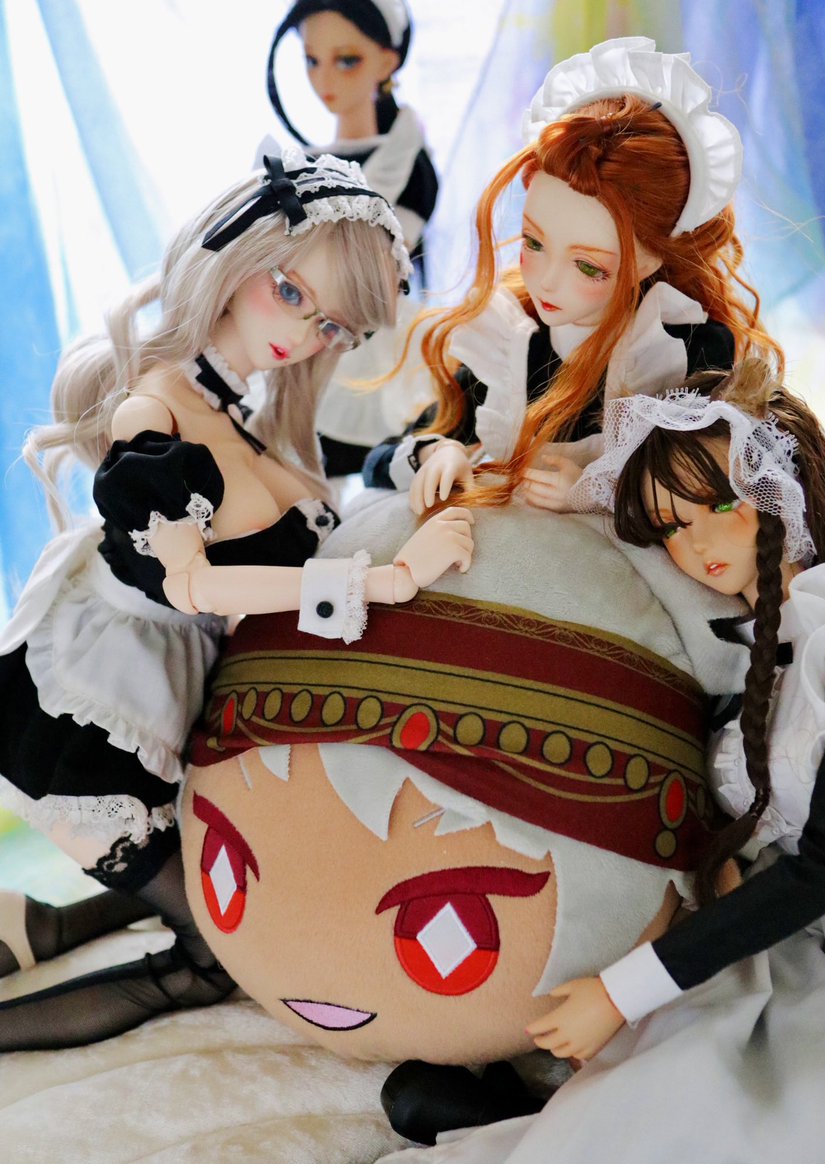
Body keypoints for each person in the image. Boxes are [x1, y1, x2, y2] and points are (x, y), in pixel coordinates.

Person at [0, 149, 473, 1051]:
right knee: (220, 950)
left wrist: (431, 455)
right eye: (289, 293)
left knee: (220, 895)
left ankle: (43, 929)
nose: (304, 332)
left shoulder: (244, 414)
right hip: (91, 717)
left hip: (175, 703)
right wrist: (378, 582)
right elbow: (193, 582)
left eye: (330, 323)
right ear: (237, 259)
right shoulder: (155, 415)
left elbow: (342, 486)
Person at [525, 358, 825, 1061]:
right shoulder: (731, 663)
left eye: (721, 505)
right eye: (669, 525)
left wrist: (621, 992)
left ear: (783, 489)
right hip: (769, 934)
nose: (696, 544)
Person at [362, 36, 780, 514]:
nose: (547, 281)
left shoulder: (683, 350)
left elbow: (717, 500)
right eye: (533, 243)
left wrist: (597, 491)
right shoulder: (511, 338)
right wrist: (437, 452)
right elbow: (379, 460)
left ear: (650, 260)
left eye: (587, 266)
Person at [265, 0, 440, 478]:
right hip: (308, 332)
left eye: (347, 60)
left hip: (377, 334)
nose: (325, 79)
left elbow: (382, 262)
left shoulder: (407, 163)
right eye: (312, 60)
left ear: (387, 61)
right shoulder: (300, 166)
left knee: (389, 463)